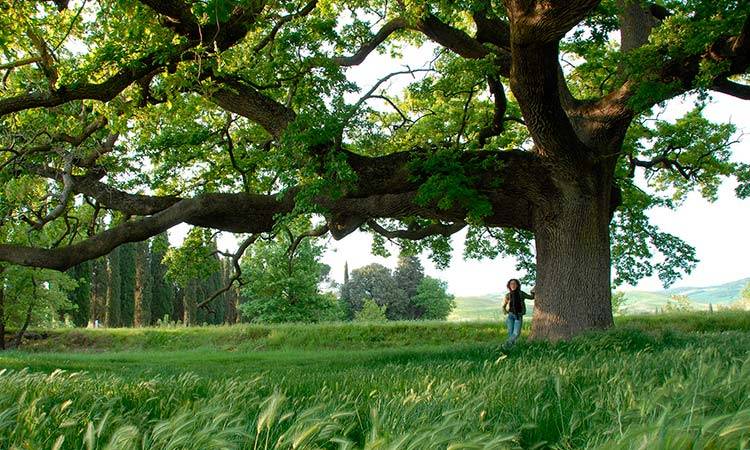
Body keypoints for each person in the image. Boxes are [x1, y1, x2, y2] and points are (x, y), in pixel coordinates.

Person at [502, 278, 534, 347]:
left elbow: (531, 297)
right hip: (510, 316)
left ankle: (505, 346)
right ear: (509, 285)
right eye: (511, 284)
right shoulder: (508, 295)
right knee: (511, 334)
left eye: (514, 284)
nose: (513, 285)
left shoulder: (521, 293)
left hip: (518, 315)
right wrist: (505, 311)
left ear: (517, 285)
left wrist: (532, 291)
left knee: (516, 333)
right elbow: (504, 305)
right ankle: (510, 348)